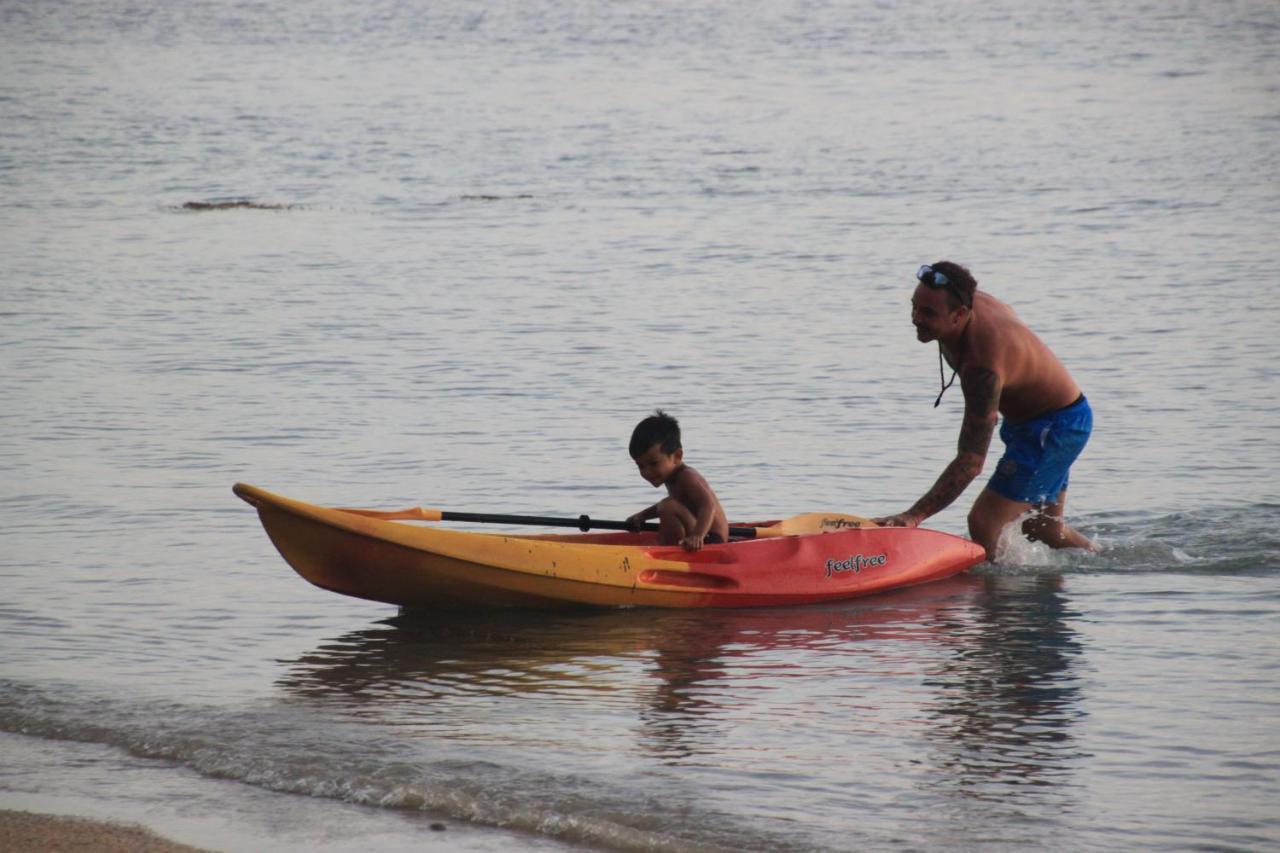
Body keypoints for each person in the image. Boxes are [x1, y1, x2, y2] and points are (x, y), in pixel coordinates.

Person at [874, 261, 1096, 559]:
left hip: (1053, 427)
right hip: (1038, 421)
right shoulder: (962, 296)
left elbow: (970, 462)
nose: (915, 318)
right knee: (1043, 529)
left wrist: (914, 515)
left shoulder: (982, 368)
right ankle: (1103, 559)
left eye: (928, 313)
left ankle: (996, 594)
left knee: (983, 523)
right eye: (914, 307)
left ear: (961, 314)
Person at [626, 410, 729, 550]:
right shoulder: (671, 476)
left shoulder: (687, 477)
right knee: (667, 505)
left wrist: (697, 536)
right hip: (700, 533)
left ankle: (668, 549)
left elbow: (708, 505)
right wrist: (642, 516)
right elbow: (669, 505)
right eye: (640, 466)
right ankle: (667, 544)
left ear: (677, 456)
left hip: (712, 540)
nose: (646, 472)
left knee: (668, 506)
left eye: (654, 463)